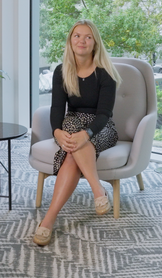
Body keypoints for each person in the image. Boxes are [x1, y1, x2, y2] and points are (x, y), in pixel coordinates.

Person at [33, 20, 122, 246]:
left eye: (88, 37)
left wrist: (88, 133)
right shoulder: (61, 71)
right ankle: (98, 190)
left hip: (101, 127)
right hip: (72, 126)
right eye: (77, 36)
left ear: (95, 43)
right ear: (70, 41)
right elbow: (57, 108)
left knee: (74, 143)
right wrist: (56, 132)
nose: (82, 40)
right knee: (72, 135)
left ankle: (48, 221)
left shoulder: (106, 74)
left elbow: (104, 114)